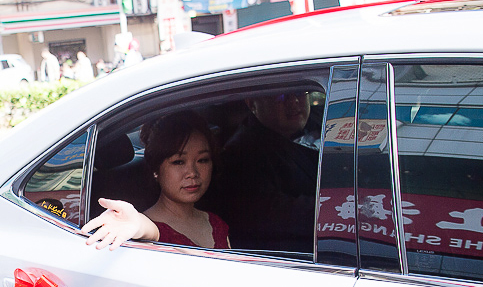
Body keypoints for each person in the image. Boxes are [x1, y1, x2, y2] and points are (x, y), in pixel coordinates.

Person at [84, 112, 229, 250]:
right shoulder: (148, 228)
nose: (192, 173)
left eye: (202, 160)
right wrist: (136, 223)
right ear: (155, 169)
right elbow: (147, 229)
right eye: (178, 162)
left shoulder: (215, 223)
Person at [204, 89, 321, 253]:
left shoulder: (322, 120)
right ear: (252, 103)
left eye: (300, 92)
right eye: (280, 96)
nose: (293, 101)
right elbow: (280, 214)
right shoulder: (241, 156)